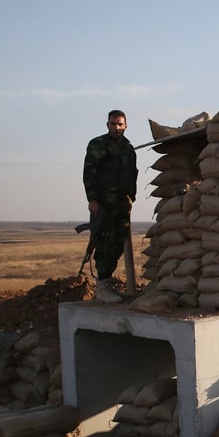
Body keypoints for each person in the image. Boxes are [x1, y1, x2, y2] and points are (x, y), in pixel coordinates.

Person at [82, 109, 138, 302]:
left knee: (118, 243)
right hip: (104, 203)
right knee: (104, 243)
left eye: (120, 124)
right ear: (108, 125)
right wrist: (92, 200)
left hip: (122, 204)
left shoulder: (128, 148)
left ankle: (107, 284)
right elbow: (89, 172)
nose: (116, 127)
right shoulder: (98, 144)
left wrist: (131, 197)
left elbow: (132, 174)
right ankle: (102, 286)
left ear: (126, 126)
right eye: (113, 124)